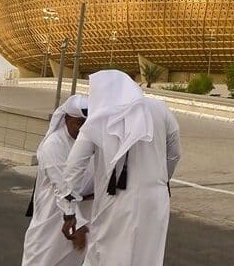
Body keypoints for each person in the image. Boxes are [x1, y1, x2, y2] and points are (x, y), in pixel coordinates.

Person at [59, 70, 181, 265]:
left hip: (116, 200)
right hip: (155, 201)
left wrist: (69, 209)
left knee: (106, 255)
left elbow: (75, 164)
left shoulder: (99, 117)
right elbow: (174, 154)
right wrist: (159, 180)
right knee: (147, 257)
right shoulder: (161, 109)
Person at [22, 95, 92, 266]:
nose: (81, 129)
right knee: (42, 260)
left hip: (80, 212)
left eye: (86, 124)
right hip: (54, 214)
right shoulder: (54, 144)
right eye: (78, 123)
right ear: (66, 118)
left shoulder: (87, 142)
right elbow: (62, 187)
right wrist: (78, 223)